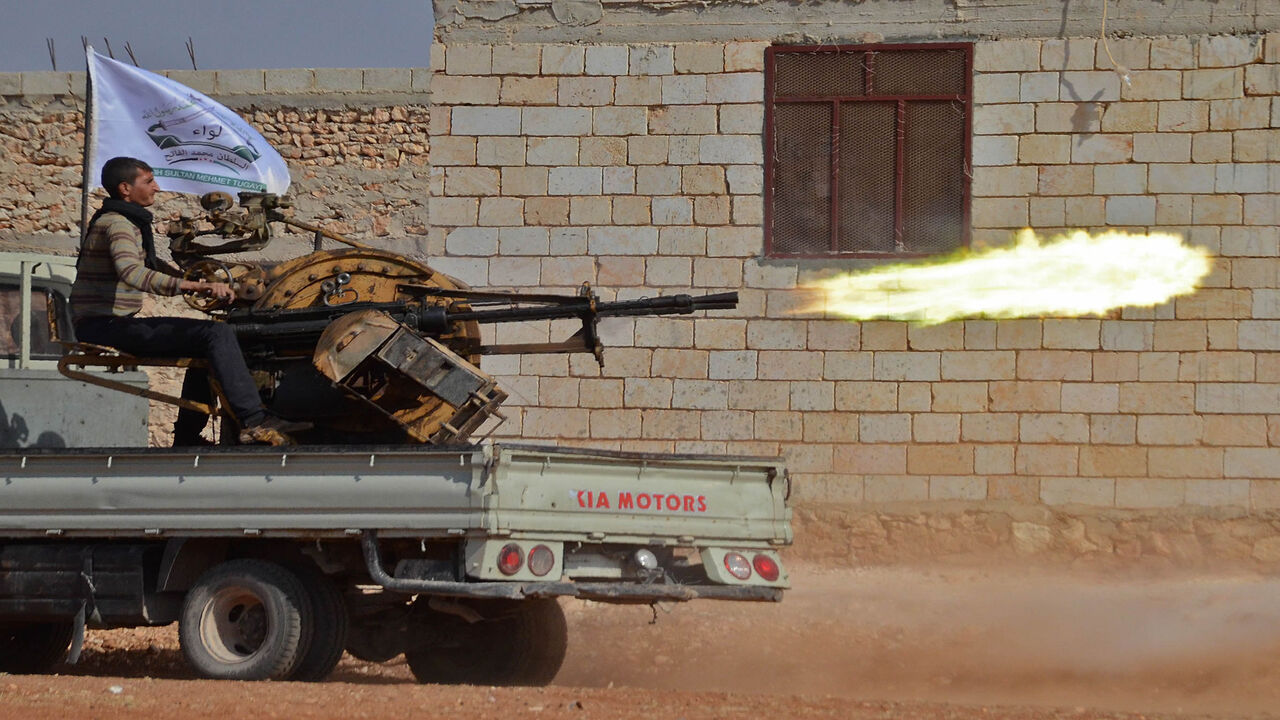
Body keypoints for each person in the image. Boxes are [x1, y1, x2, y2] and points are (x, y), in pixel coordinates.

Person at [69, 156, 309, 446]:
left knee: (205, 342)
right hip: (105, 326)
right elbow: (132, 272)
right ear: (125, 188)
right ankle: (254, 421)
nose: (156, 188)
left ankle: (187, 437)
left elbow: (153, 265)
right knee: (215, 334)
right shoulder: (118, 224)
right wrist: (192, 284)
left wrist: (204, 284)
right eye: (148, 181)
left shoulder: (120, 220)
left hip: (104, 323)